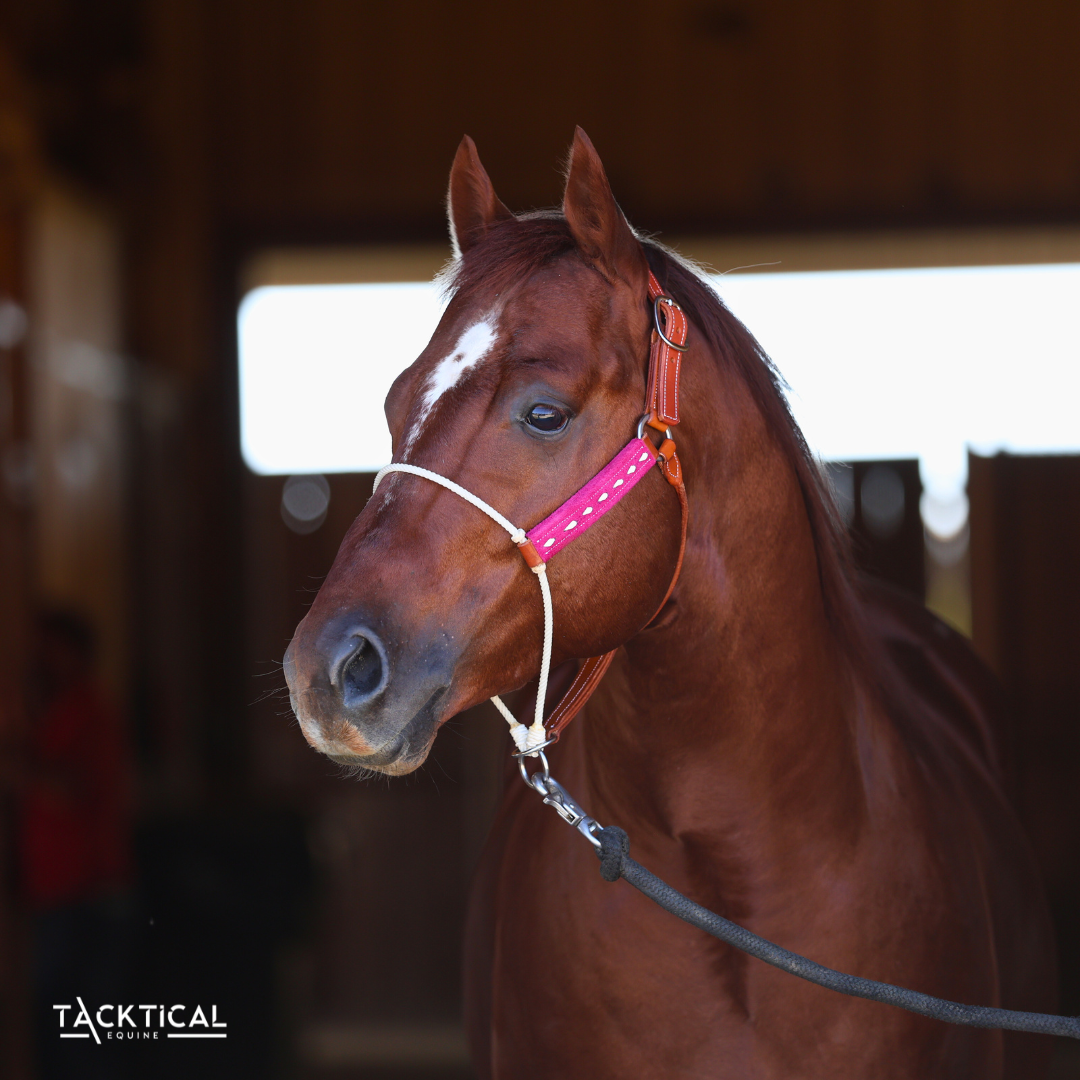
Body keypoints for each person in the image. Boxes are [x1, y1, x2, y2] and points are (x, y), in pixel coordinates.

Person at [16, 609, 132, 1079]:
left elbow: (75, 792)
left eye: (50, 646)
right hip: (56, 891)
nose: (40, 658)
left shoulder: (90, 712)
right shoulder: (54, 712)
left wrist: (17, 773)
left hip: (87, 892)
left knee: (79, 1030)